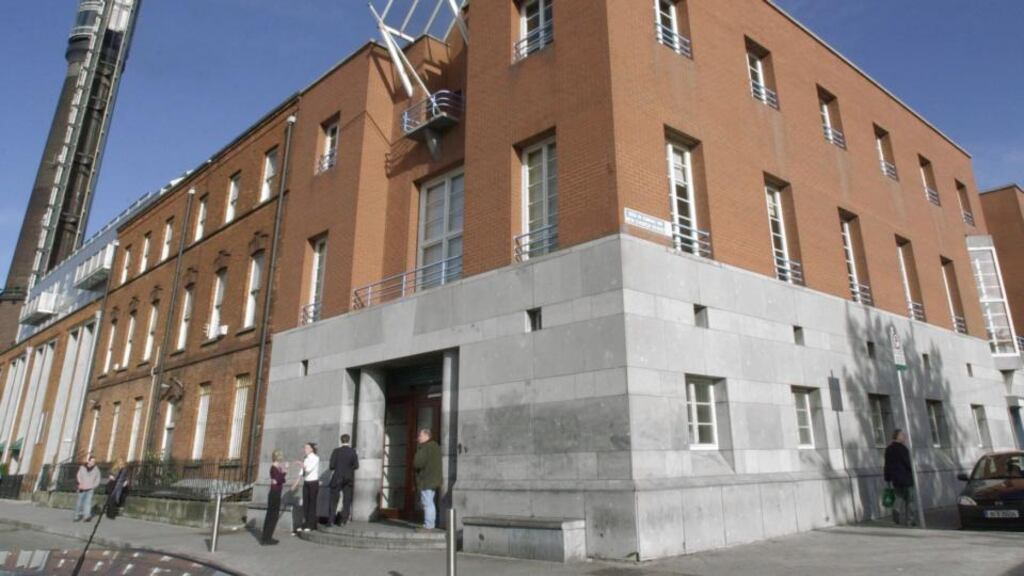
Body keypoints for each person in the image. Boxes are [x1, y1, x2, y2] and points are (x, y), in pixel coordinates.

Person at [883, 429, 916, 526]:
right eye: (902, 435)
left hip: (895, 478)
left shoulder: (889, 449)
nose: (904, 437)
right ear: (897, 436)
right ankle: (910, 520)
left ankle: (896, 511)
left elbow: (887, 464)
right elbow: (907, 463)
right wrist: (913, 471)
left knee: (898, 497)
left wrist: (887, 477)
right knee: (910, 499)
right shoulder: (903, 449)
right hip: (906, 477)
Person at [412, 428, 441, 531]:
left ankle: (428, 525)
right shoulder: (435, 446)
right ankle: (430, 524)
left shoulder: (425, 447)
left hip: (426, 479)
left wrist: (417, 453)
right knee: (430, 502)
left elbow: (418, 463)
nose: (418, 438)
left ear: (426, 436)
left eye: (420, 436)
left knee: (427, 502)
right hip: (433, 479)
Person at [328, 434, 359, 526]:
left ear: (341, 440)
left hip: (337, 477)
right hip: (348, 478)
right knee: (347, 500)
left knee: (333, 500)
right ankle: (343, 520)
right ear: (348, 440)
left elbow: (331, 466)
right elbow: (356, 465)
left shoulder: (336, 451)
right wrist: (349, 468)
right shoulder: (352, 451)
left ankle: (331, 520)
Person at [261, 450, 287, 545]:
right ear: (278, 457)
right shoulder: (274, 468)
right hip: (274, 493)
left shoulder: (278, 467)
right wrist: (284, 473)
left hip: (277, 492)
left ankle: (267, 537)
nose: (282, 458)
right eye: (281, 456)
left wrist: (283, 474)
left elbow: (280, 480)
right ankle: (266, 538)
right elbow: (279, 479)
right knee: (272, 515)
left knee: (273, 516)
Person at [292, 442, 320, 532]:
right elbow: (302, 472)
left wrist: (301, 464)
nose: (305, 449)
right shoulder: (306, 458)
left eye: (307, 448)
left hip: (313, 483)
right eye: (304, 448)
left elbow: (308, 469)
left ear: (311, 449)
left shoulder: (316, 458)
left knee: (312, 504)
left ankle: (311, 525)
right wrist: (296, 483)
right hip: (306, 483)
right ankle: (306, 523)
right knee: (306, 503)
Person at [74, 455, 101, 522]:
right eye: (91, 461)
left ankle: (86, 516)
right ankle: (76, 516)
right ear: (88, 461)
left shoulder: (96, 469)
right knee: (79, 502)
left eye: (94, 461)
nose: (92, 462)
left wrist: (94, 485)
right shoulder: (82, 468)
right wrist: (80, 483)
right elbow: (78, 476)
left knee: (88, 502)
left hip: (90, 488)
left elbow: (98, 478)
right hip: (82, 488)